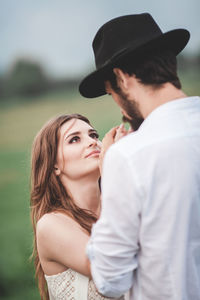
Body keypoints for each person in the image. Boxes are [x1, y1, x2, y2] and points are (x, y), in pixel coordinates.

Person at [79, 13, 200, 300]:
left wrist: (109, 175)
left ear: (121, 77)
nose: (120, 109)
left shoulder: (129, 156)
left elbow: (110, 280)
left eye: (111, 94)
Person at [30, 113, 126, 300]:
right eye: (74, 139)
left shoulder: (120, 204)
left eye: (94, 135)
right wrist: (113, 175)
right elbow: (112, 270)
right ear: (54, 165)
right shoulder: (51, 225)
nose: (92, 142)